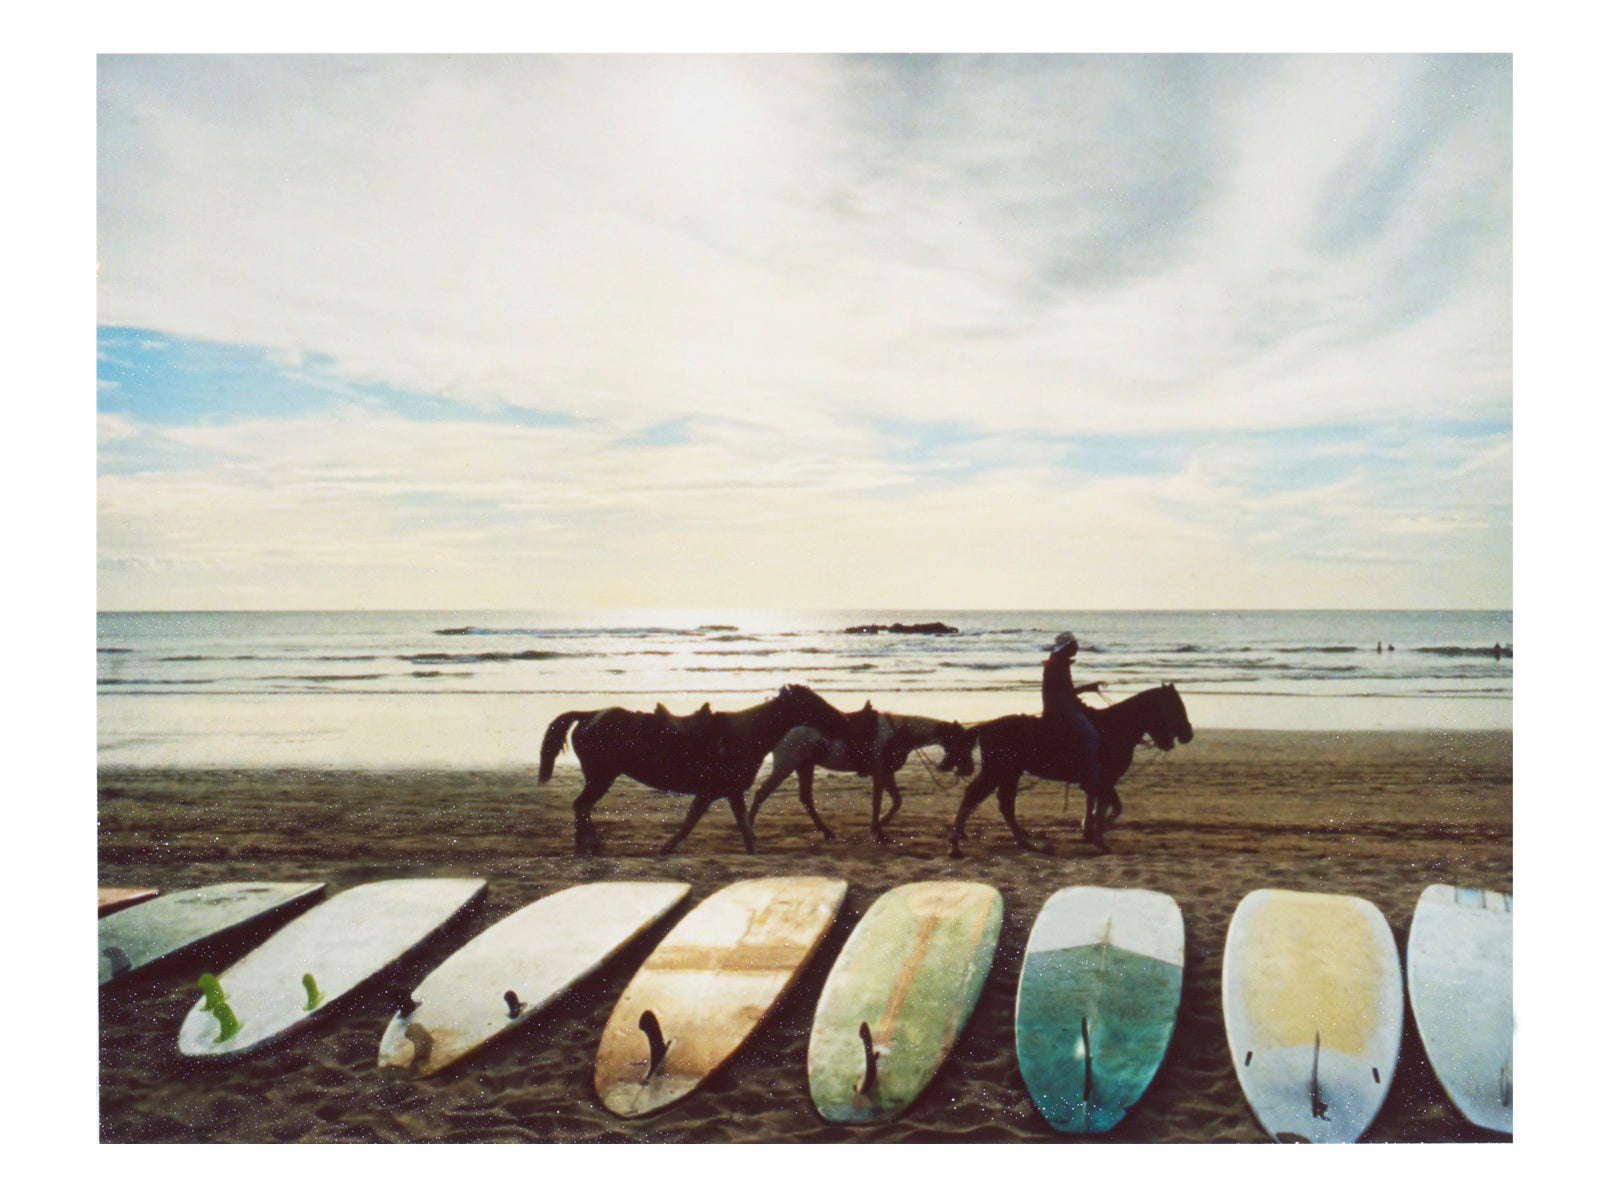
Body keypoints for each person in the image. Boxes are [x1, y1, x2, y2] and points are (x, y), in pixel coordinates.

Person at [1042, 632, 1104, 796]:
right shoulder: (1058, 665)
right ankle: (1091, 780)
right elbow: (1066, 693)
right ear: (1068, 648)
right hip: (1061, 710)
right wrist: (1088, 687)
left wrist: (1087, 688)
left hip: (1061, 706)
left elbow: (1065, 691)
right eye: (1074, 645)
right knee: (1092, 737)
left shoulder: (1057, 663)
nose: (1077, 647)